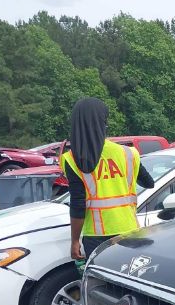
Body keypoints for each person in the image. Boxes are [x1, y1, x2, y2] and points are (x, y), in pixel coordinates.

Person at [61, 98, 155, 262]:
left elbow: (78, 204)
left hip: (96, 237)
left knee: (105, 284)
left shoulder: (72, 159)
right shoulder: (128, 153)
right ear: (104, 123)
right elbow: (149, 183)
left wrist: (75, 241)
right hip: (130, 231)